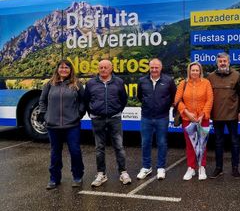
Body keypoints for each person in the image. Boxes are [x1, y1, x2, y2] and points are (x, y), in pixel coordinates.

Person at [39, 59, 85, 190]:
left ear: (71, 70)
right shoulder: (50, 84)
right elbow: (42, 101)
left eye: (66, 68)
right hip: (52, 125)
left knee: (75, 151)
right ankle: (54, 179)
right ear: (57, 69)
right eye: (61, 67)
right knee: (55, 153)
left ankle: (77, 177)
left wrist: (78, 114)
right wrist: (46, 116)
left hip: (72, 125)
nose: (64, 70)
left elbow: (83, 101)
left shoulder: (76, 84)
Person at [84, 59, 131, 187]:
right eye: (101, 67)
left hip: (114, 118)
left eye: (106, 67)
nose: (103, 69)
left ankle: (123, 172)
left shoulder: (119, 82)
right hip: (97, 119)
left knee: (119, 146)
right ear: (98, 69)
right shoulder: (91, 83)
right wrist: (93, 113)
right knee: (99, 148)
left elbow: (123, 99)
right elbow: (86, 100)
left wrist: (116, 111)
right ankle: (101, 174)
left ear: (111, 68)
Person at [207, 52, 240, 178]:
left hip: (233, 115)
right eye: (220, 61)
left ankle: (235, 168)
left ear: (229, 62)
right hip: (217, 116)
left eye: (225, 61)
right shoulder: (210, 77)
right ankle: (219, 168)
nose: (223, 63)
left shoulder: (236, 75)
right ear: (217, 63)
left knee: (234, 142)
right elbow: (208, 96)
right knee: (218, 143)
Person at [136, 59, 176, 180]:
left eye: (156, 67)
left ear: (161, 68)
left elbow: (173, 96)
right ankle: (146, 167)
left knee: (162, 143)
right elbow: (140, 96)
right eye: (152, 67)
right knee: (145, 143)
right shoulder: (142, 81)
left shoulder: (168, 81)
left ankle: (161, 167)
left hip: (162, 117)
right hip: (146, 117)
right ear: (149, 68)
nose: (154, 70)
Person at [175, 61, 213, 181]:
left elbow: (210, 100)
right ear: (189, 71)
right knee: (190, 144)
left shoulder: (206, 83)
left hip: (203, 119)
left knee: (202, 144)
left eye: (197, 70)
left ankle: (202, 167)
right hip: (188, 119)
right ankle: (191, 167)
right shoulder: (183, 83)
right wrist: (186, 112)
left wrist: (202, 115)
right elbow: (177, 101)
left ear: (200, 71)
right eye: (193, 70)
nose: (195, 72)